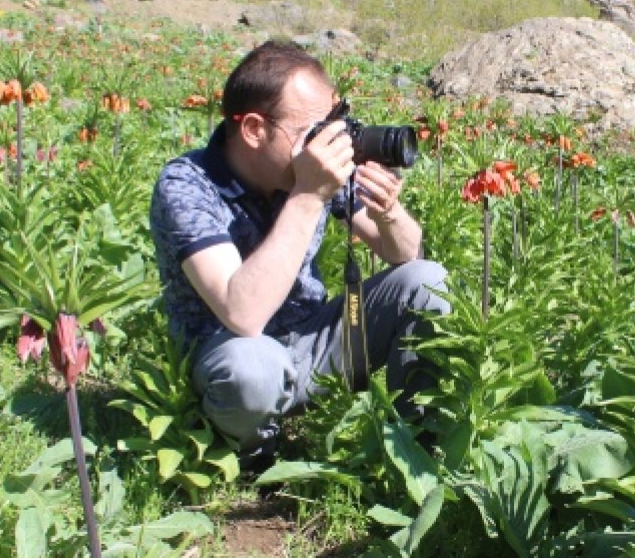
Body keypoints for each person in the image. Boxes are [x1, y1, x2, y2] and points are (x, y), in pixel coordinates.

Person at [149, 40, 449, 463]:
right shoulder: (187, 184)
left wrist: (389, 213)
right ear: (254, 130)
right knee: (255, 366)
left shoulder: (308, 171)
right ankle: (250, 455)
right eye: (312, 132)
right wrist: (308, 195)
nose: (326, 144)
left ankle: (416, 448)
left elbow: (406, 257)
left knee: (427, 282)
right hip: (229, 357)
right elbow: (242, 314)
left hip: (310, 341)